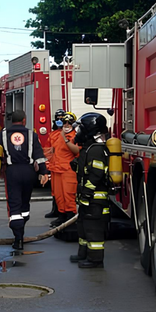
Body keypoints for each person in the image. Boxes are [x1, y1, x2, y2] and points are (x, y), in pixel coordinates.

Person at [0, 110, 48, 250]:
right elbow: (39, 155)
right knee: (25, 203)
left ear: (11, 120)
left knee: (14, 204)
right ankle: (22, 227)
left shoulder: (2, 134)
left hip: (12, 171)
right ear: (24, 120)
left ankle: (18, 238)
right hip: (29, 171)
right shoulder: (32, 135)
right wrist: (44, 173)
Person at [70, 113, 111, 269]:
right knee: (83, 226)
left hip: (95, 200)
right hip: (88, 199)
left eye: (81, 128)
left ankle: (95, 260)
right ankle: (83, 253)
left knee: (93, 230)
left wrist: (87, 193)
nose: (78, 132)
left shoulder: (96, 149)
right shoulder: (89, 148)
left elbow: (96, 173)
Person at [47, 111, 79, 227]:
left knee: (68, 195)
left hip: (68, 171)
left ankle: (71, 218)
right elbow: (50, 151)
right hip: (56, 169)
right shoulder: (56, 135)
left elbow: (77, 151)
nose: (66, 125)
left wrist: (66, 139)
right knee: (58, 195)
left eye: (69, 123)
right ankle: (61, 216)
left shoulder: (75, 136)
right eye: (64, 122)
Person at [44, 108, 66, 219]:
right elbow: (48, 151)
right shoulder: (53, 134)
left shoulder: (68, 134)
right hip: (54, 166)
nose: (59, 121)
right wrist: (47, 165)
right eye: (58, 118)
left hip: (64, 168)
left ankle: (63, 214)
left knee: (64, 192)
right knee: (55, 191)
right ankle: (55, 210)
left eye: (62, 118)